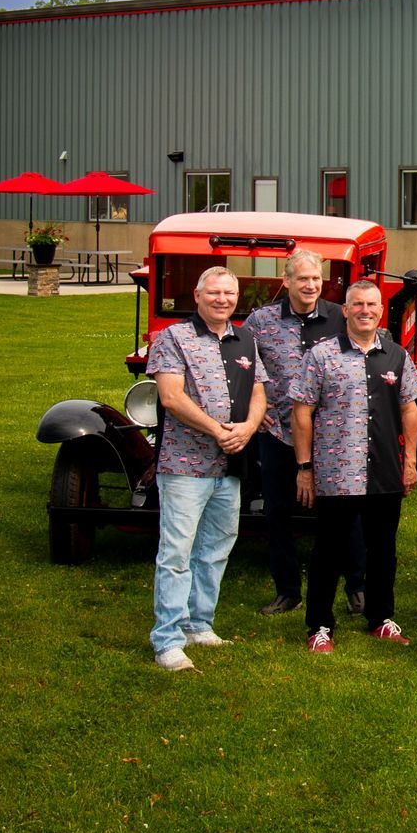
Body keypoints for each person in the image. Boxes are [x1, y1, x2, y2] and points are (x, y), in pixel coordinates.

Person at [145, 266, 270, 670]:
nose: (222, 299)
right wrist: (218, 430)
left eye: (229, 293)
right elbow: (171, 397)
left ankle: (199, 624)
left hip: (230, 464)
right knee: (177, 553)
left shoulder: (245, 339)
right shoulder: (174, 338)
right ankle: (167, 639)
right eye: (213, 292)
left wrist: (248, 428)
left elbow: (259, 393)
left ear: (237, 298)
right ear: (197, 296)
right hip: (185, 465)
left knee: (216, 547)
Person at [292, 280, 417, 653]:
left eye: (372, 304)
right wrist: (305, 467)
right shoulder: (321, 356)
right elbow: (301, 412)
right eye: (358, 304)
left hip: (384, 470)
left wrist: (411, 461)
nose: (365, 310)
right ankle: (319, 625)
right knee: (328, 551)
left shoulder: (397, 356)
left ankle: (380, 619)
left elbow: (409, 408)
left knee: (383, 550)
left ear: (381, 310)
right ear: (345, 310)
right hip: (337, 472)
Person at [242, 250, 354, 617]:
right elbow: (244, 367)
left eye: (316, 279)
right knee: (278, 512)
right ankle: (287, 591)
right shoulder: (261, 321)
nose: (310, 285)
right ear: (286, 281)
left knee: (344, 513)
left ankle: (356, 587)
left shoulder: (340, 317)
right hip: (279, 432)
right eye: (302, 278)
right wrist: (256, 411)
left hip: (332, 435)